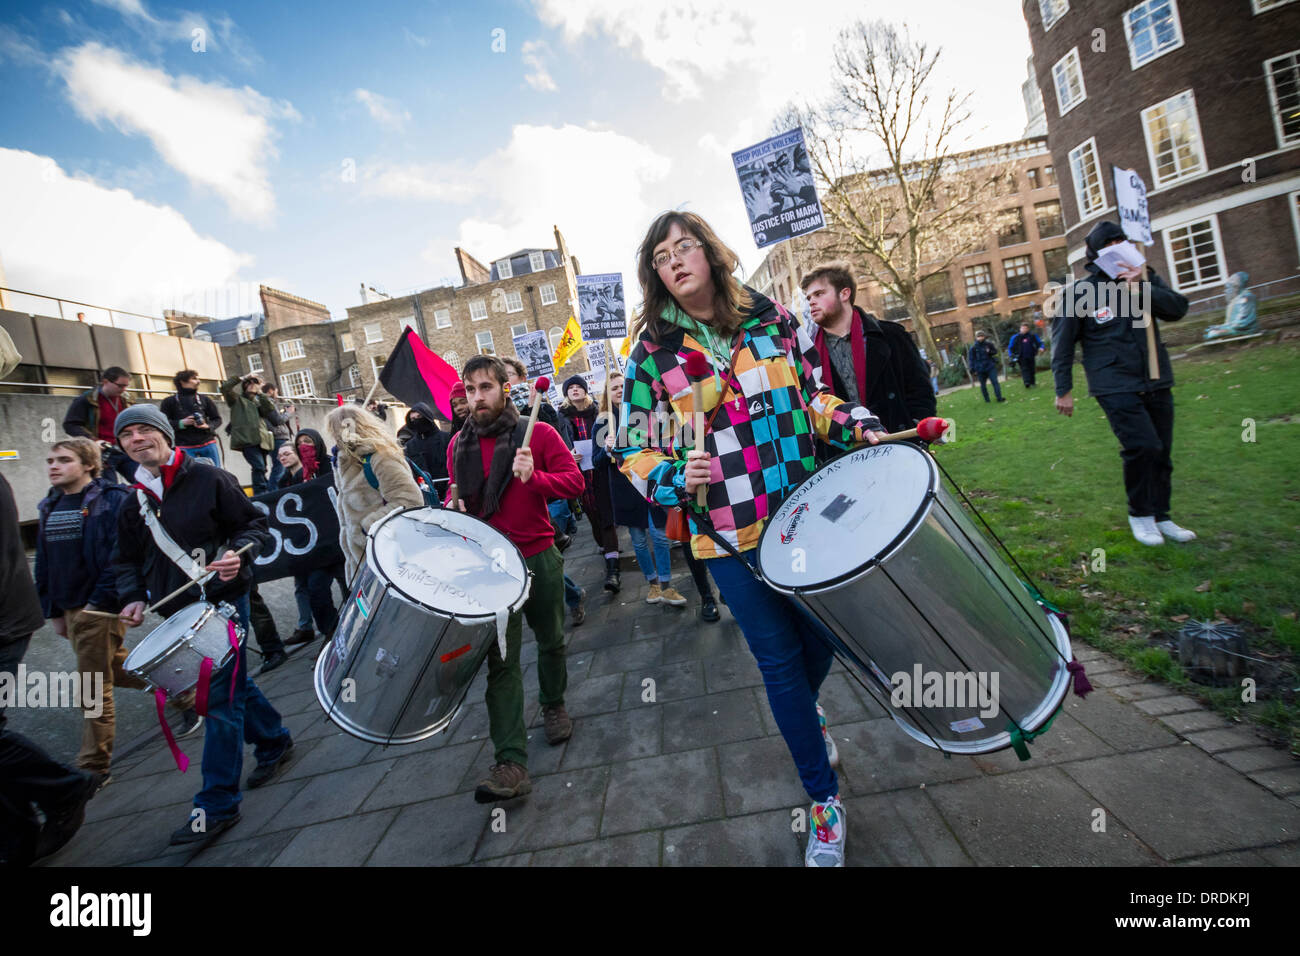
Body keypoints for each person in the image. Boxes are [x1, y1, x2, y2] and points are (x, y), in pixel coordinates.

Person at [618, 211, 884, 867]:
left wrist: (855, 421)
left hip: (804, 513)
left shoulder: (773, 319)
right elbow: (631, 445)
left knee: (826, 640)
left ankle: (808, 714)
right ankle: (822, 799)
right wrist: (678, 472)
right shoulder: (650, 354)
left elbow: (816, 397)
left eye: (686, 246)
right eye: (661, 256)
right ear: (655, 274)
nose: (676, 260)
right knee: (778, 666)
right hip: (726, 536)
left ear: (709, 253)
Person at [111, 404, 293, 846]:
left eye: (144, 430)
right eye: (127, 435)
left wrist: (239, 553)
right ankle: (274, 740)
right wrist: (132, 596)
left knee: (218, 700)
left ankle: (216, 803)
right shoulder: (130, 503)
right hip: (179, 615)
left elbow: (255, 525)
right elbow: (125, 561)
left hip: (225, 604)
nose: (137, 439)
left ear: (165, 435)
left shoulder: (210, 478)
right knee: (232, 688)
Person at [446, 355, 586, 802]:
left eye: (485, 387)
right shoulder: (457, 446)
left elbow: (575, 483)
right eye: (470, 390)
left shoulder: (537, 433)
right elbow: (460, 499)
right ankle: (510, 763)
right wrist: (454, 511)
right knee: (500, 666)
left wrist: (535, 477)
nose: (477, 397)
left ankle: (553, 703)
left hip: (538, 556)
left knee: (551, 640)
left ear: (506, 388)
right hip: (489, 570)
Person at [35, 439, 180, 781]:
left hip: (99, 609)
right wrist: (53, 611)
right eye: (50, 460)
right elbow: (45, 563)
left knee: (92, 686)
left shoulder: (111, 500)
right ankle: (178, 691)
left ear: (88, 464)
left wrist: (95, 605)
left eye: (64, 460)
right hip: (70, 608)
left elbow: (120, 557)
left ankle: (93, 767)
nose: (54, 466)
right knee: (115, 668)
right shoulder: (49, 504)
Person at [1052, 220, 1195, 547]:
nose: (1118, 247)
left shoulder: (1144, 277)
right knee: (1142, 446)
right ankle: (1140, 515)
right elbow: (1062, 346)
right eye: (1109, 243)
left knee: (1162, 452)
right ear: (1095, 253)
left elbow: (1178, 309)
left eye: (1122, 240)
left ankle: (1163, 516)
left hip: (1156, 379)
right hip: (1113, 383)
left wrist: (1144, 285)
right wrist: (1064, 390)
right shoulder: (1081, 292)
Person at [1, 471, 103, 866]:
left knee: (100, 678)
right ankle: (17, 835)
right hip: (20, 616)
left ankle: (66, 786)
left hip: (5, 623)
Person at [801, 263, 935, 435]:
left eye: (819, 294)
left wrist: (915, 429)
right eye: (808, 297)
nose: (811, 301)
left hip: (897, 442)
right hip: (844, 453)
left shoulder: (891, 335)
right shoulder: (808, 353)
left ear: (844, 293)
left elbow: (920, 390)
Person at [595, 373, 688, 608]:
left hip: (647, 480)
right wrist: (608, 449)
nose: (618, 390)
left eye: (621, 386)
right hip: (624, 489)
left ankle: (667, 585)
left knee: (659, 535)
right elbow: (595, 461)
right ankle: (652, 583)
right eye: (613, 387)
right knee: (638, 540)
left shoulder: (644, 414)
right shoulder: (603, 422)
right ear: (607, 393)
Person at [326, 405, 423, 584]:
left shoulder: (381, 457)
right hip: (364, 564)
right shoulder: (347, 461)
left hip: (389, 559)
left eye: (335, 430)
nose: (334, 437)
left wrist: (368, 527)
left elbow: (409, 500)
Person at [559, 375, 621, 591]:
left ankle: (613, 568)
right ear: (566, 394)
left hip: (602, 469)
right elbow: (558, 444)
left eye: (579, 387)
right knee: (593, 516)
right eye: (571, 388)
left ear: (586, 391)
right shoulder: (562, 417)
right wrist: (568, 454)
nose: (575, 390)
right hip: (580, 474)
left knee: (606, 515)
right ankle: (606, 548)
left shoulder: (598, 412)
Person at [275, 443, 340, 645]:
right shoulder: (283, 481)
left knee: (340, 583)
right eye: (280, 456)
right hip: (302, 543)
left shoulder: (320, 471)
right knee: (305, 586)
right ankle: (314, 628)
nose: (283, 458)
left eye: (287, 453)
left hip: (328, 540)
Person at [63, 366, 136, 483]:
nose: (124, 389)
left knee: (144, 482)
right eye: (120, 385)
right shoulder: (86, 400)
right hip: (102, 453)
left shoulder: (127, 400)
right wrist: (94, 441)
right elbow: (70, 425)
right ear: (105, 382)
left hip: (125, 449)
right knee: (108, 489)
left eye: (126, 386)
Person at [219, 373, 279, 496]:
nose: (252, 385)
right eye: (249, 383)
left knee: (263, 468)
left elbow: (269, 410)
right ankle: (260, 493)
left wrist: (261, 391)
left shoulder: (259, 401)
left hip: (262, 440)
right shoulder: (236, 400)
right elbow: (225, 388)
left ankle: (264, 490)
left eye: (254, 383)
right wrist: (241, 378)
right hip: (247, 440)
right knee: (258, 466)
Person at [160, 370, 223, 466]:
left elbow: (217, 419)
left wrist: (208, 426)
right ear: (182, 381)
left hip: (207, 443)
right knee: (189, 475)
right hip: (183, 445)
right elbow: (162, 423)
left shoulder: (205, 399)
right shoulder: (169, 402)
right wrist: (181, 423)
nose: (198, 381)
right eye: (194, 378)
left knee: (217, 473)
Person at [397, 402, 450, 487]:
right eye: (413, 419)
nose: (417, 421)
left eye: (419, 417)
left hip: (449, 489)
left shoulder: (447, 438)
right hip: (425, 492)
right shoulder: (409, 447)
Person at [261, 384, 295, 490]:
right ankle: (273, 492)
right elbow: (278, 420)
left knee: (281, 468)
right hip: (278, 437)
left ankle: (277, 490)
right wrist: (289, 413)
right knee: (279, 468)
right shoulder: (267, 402)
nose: (277, 394)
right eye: (276, 391)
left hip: (277, 437)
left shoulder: (266, 402)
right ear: (271, 390)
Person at [967, 330, 1005, 403]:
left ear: (984, 336)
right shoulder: (973, 348)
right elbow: (971, 359)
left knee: (995, 382)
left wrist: (989, 351)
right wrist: (972, 368)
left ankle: (999, 398)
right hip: (980, 368)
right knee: (983, 385)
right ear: (976, 337)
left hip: (990, 366)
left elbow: (995, 352)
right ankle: (987, 400)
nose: (980, 338)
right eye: (978, 336)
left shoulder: (989, 344)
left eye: (981, 336)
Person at [1008, 323, 1046, 388]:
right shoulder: (1015, 337)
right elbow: (1010, 347)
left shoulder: (1032, 335)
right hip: (1020, 356)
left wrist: (1041, 347)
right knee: (1024, 369)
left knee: (1032, 369)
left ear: (1028, 329)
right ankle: (1027, 382)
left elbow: (1039, 343)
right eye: (1023, 328)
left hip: (1031, 355)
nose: (1024, 329)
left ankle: (1032, 382)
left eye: (1025, 328)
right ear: (1020, 329)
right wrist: (1011, 355)